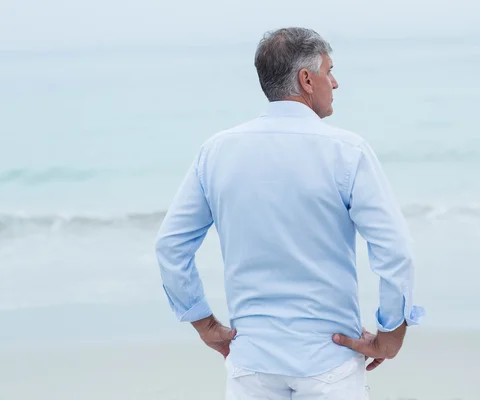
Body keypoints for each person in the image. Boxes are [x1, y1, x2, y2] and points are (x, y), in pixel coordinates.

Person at [155, 27, 424, 400]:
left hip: (251, 363)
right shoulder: (348, 151)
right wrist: (391, 334)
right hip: (330, 362)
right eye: (329, 71)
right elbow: (395, 251)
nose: (335, 82)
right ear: (306, 79)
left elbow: (170, 247)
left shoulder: (216, 152)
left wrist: (202, 322)